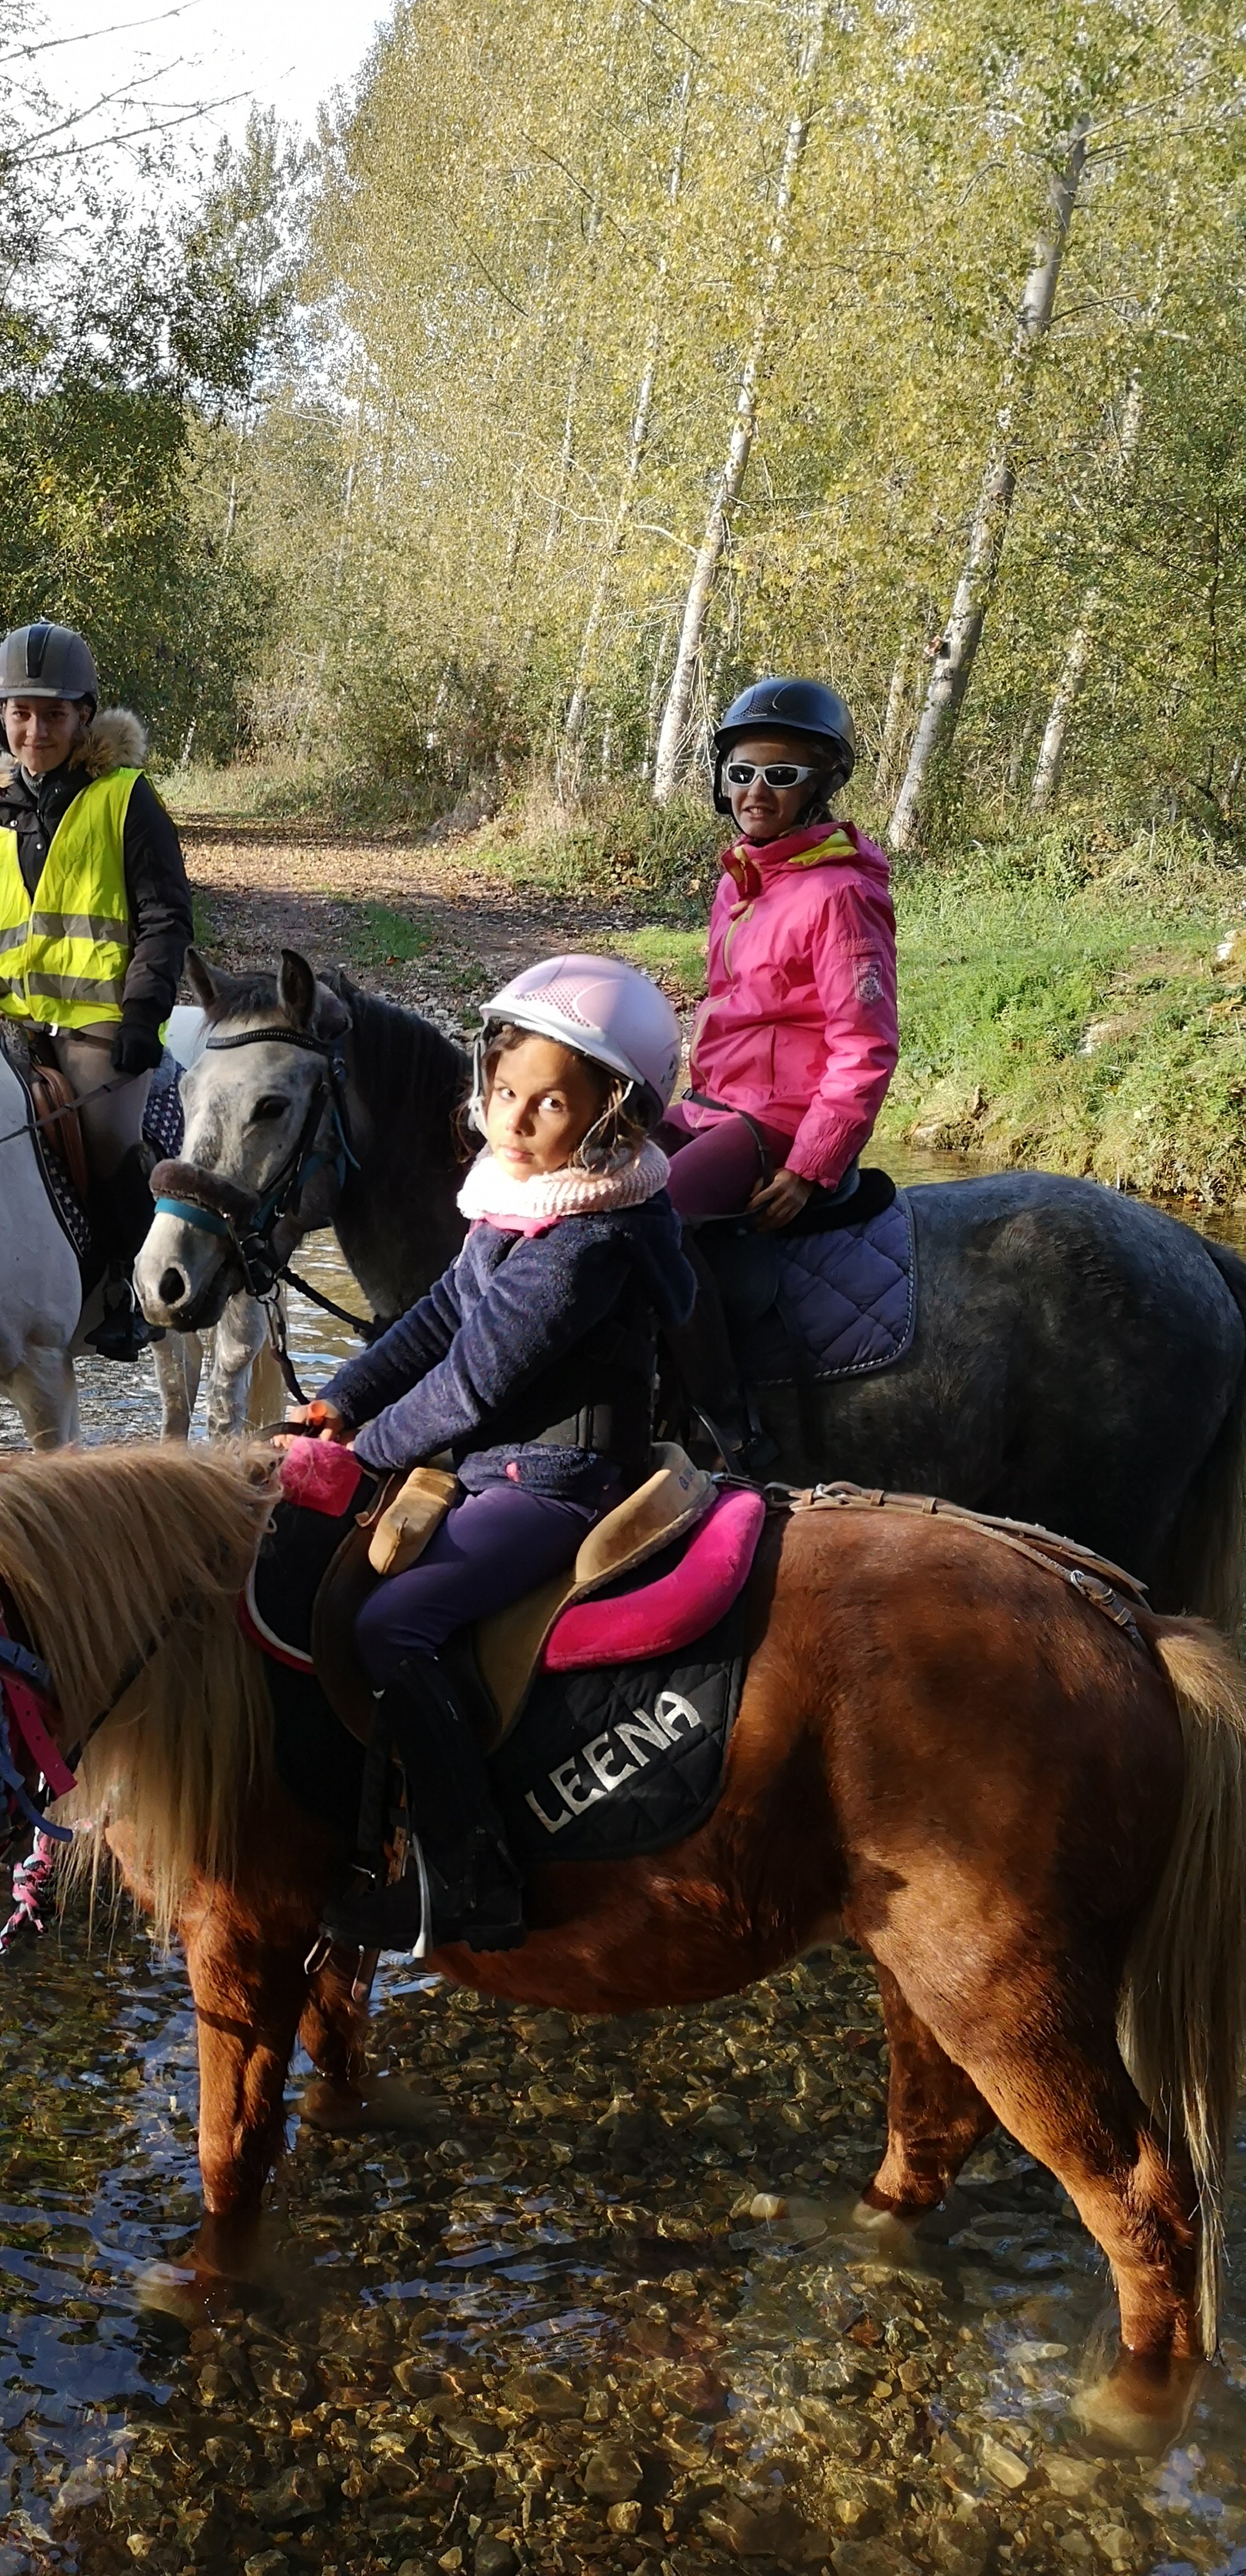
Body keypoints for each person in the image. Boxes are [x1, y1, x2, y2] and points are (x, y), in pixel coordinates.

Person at [298, 957, 693, 1959]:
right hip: (498, 1461)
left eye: (549, 1104)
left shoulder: (585, 1241)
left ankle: (474, 1879)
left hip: (552, 1482)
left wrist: (366, 1455)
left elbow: (471, 1386)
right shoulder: (524, 1197)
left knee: (394, 1624)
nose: (514, 1121)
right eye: (506, 1091)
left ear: (613, 1120)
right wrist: (343, 1400)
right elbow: (438, 1314)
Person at [0, 619, 194, 1360]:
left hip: (99, 1030)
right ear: (2, 718)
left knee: (111, 1142)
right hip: (6, 1028)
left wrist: (144, 1018)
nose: (35, 729)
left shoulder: (125, 799)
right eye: (20, 713)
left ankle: (131, 1292)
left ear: (84, 716)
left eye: (53, 714)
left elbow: (163, 917)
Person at [660, 678, 899, 1228]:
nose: (757, 792)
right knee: (588, 1176)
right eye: (742, 774)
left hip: (781, 1121)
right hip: (712, 1107)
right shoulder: (738, 882)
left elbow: (864, 1044)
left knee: (652, 1220)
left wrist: (812, 1165)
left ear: (821, 785)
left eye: (782, 776)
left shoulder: (842, 895)